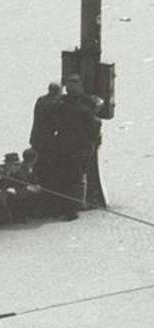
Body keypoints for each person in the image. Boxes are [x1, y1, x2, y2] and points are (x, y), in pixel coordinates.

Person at [53, 74, 102, 221]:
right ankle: (73, 208)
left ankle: (63, 207)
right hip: (79, 149)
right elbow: (94, 125)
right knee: (76, 178)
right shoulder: (84, 110)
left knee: (64, 178)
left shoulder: (60, 105)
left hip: (62, 147)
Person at [29, 82, 63, 187]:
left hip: (35, 136)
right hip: (46, 139)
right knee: (44, 163)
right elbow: (58, 122)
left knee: (36, 162)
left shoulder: (40, 100)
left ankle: (35, 181)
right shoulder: (53, 104)